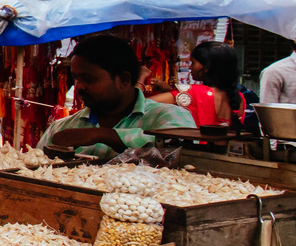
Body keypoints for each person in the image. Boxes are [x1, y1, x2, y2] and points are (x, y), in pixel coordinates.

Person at [39, 32, 196, 159]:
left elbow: (180, 153)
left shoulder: (169, 116)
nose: (79, 86)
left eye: (89, 79)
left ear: (124, 80)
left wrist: (102, 135)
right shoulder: (62, 128)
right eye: (76, 78)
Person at [187, 40, 255, 131]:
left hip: (201, 145)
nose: (190, 67)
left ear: (206, 68)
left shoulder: (195, 92)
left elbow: (160, 102)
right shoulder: (240, 97)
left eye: (193, 63)